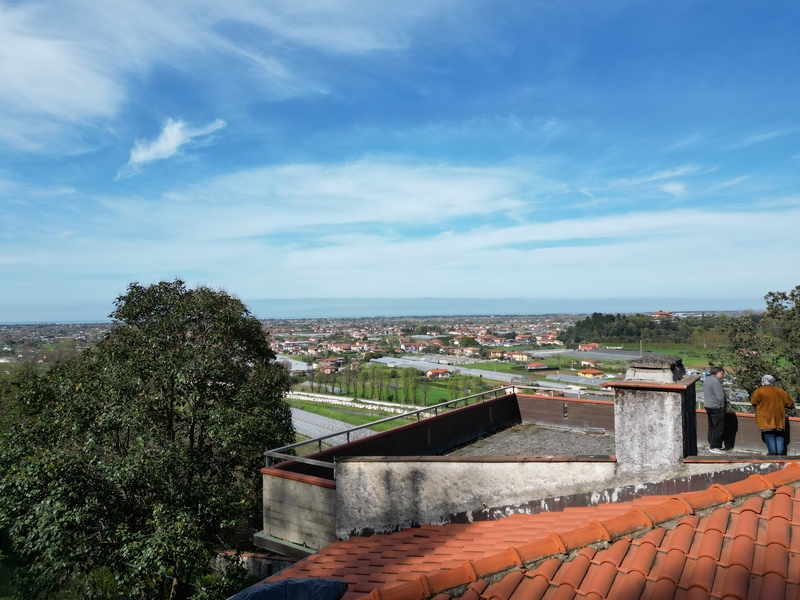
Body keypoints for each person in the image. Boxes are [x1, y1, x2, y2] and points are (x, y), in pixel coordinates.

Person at [749, 374, 794, 456]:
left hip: (765, 419)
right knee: (779, 435)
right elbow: (790, 404)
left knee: (769, 435)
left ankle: (772, 454)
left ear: (763, 382)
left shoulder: (759, 391)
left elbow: (753, 402)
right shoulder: (781, 391)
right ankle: (781, 454)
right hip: (779, 419)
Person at [704, 366, 727, 453]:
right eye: (722, 373)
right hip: (716, 407)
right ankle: (714, 446)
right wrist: (722, 406)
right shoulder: (716, 382)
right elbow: (720, 396)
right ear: (718, 372)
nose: (722, 375)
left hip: (708, 406)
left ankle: (711, 444)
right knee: (718, 427)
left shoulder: (707, 379)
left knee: (711, 426)